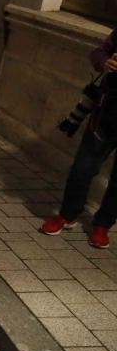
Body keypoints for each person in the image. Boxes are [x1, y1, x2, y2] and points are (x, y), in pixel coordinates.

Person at [42, 28, 117, 248]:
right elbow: (98, 52)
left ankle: (103, 225)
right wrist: (104, 63)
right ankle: (68, 214)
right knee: (82, 169)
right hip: (106, 115)